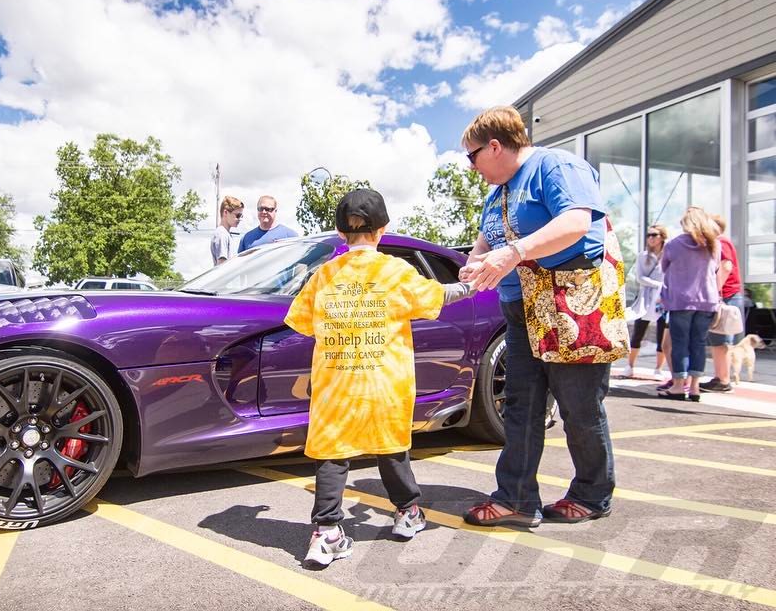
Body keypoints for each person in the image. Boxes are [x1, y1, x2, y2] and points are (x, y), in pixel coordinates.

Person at [284, 189, 475, 567]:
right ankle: (407, 513)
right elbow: (437, 295)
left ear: (340, 233)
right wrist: (473, 283)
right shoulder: (395, 271)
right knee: (391, 447)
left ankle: (326, 533)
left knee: (332, 455)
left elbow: (301, 323)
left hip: (336, 384)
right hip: (385, 383)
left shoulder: (323, 275)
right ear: (383, 229)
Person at [458, 105, 616, 527]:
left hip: (567, 303)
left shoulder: (557, 165)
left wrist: (515, 251)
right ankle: (516, 498)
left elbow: (577, 221)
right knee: (520, 406)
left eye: (471, 156)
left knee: (579, 406)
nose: (471, 167)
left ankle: (592, 493)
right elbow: (484, 244)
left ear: (495, 146)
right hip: (519, 308)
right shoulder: (498, 191)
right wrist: (473, 264)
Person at [659, 207, 720, 401]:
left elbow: (664, 267)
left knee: (680, 344)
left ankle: (678, 386)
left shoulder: (673, 245)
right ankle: (694, 388)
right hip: (707, 301)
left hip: (681, 301)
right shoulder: (714, 245)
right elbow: (716, 268)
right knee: (698, 344)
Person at [700, 214, 744, 393]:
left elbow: (726, 266)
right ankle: (721, 377)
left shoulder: (721, 242)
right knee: (719, 340)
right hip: (727, 295)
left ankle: (723, 380)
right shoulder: (721, 242)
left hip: (726, 296)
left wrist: (715, 292)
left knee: (720, 339)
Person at [623, 224, 669, 378]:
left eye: (654, 235)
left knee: (662, 332)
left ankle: (658, 368)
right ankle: (629, 365)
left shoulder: (668, 254)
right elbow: (640, 277)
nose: (651, 238)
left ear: (662, 236)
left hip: (663, 298)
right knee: (639, 331)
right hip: (646, 296)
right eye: (649, 235)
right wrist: (658, 285)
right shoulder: (643, 256)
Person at [210, 196, 244, 265]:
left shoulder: (225, 234)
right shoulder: (222, 234)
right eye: (238, 215)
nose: (240, 219)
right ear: (225, 212)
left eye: (241, 216)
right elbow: (222, 265)